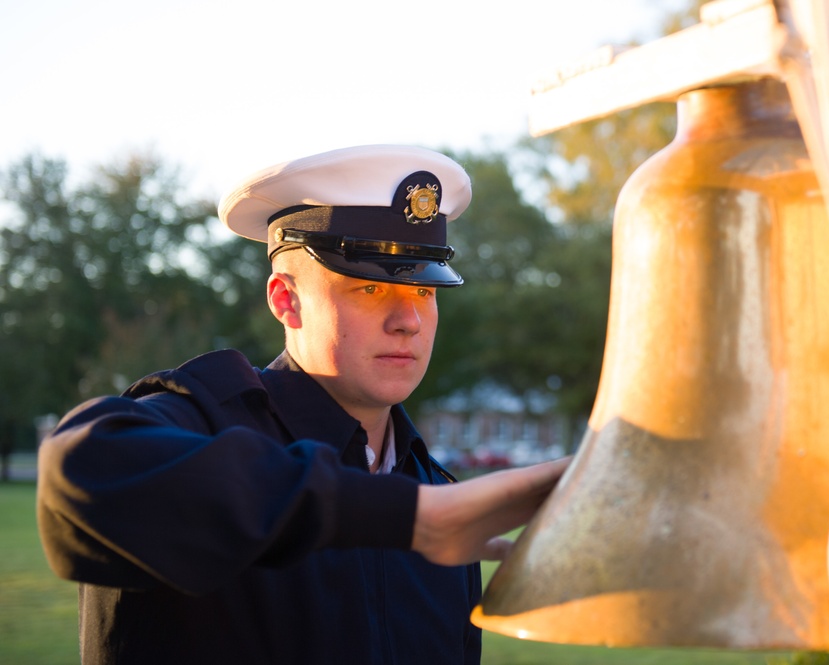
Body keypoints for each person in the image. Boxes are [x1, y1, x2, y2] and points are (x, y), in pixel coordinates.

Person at [36, 145, 570, 665]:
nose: (408, 320)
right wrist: (407, 517)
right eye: (369, 288)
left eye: (425, 292)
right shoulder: (203, 422)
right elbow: (81, 463)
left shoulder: (438, 491)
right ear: (285, 300)